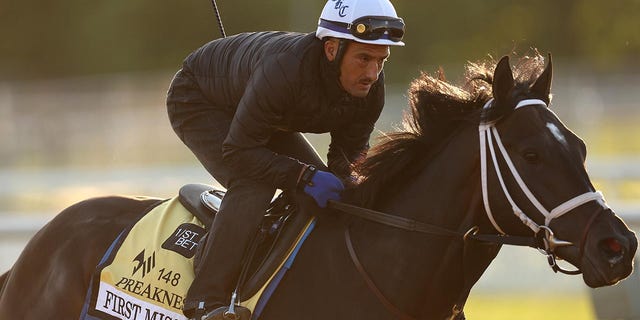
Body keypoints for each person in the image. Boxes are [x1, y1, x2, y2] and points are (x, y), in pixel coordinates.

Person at [166, 0, 405, 319]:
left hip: (265, 115)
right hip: (199, 99)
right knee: (254, 183)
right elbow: (238, 153)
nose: (372, 73)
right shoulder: (286, 70)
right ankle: (204, 301)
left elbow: (344, 165)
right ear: (332, 49)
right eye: (363, 58)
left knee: (333, 198)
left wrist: (349, 185)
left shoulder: (371, 91)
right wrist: (302, 177)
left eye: (381, 60)